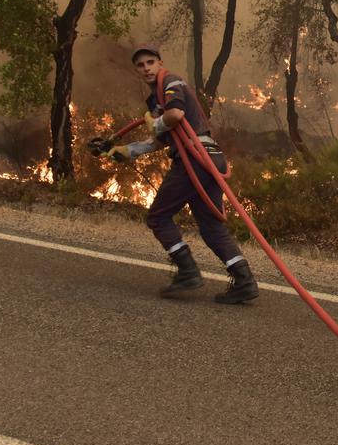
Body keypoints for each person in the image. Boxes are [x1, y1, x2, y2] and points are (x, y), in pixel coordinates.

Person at [100, 45, 260, 304]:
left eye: (150, 62)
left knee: (158, 217)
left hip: (194, 159)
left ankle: (187, 272)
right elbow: (158, 140)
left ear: (160, 63)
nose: (146, 68)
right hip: (209, 159)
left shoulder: (170, 82)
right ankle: (244, 281)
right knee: (211, 227)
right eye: (141, 65)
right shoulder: (155, 99)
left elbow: (175, 115)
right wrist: (125, 150)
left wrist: (158, 122)